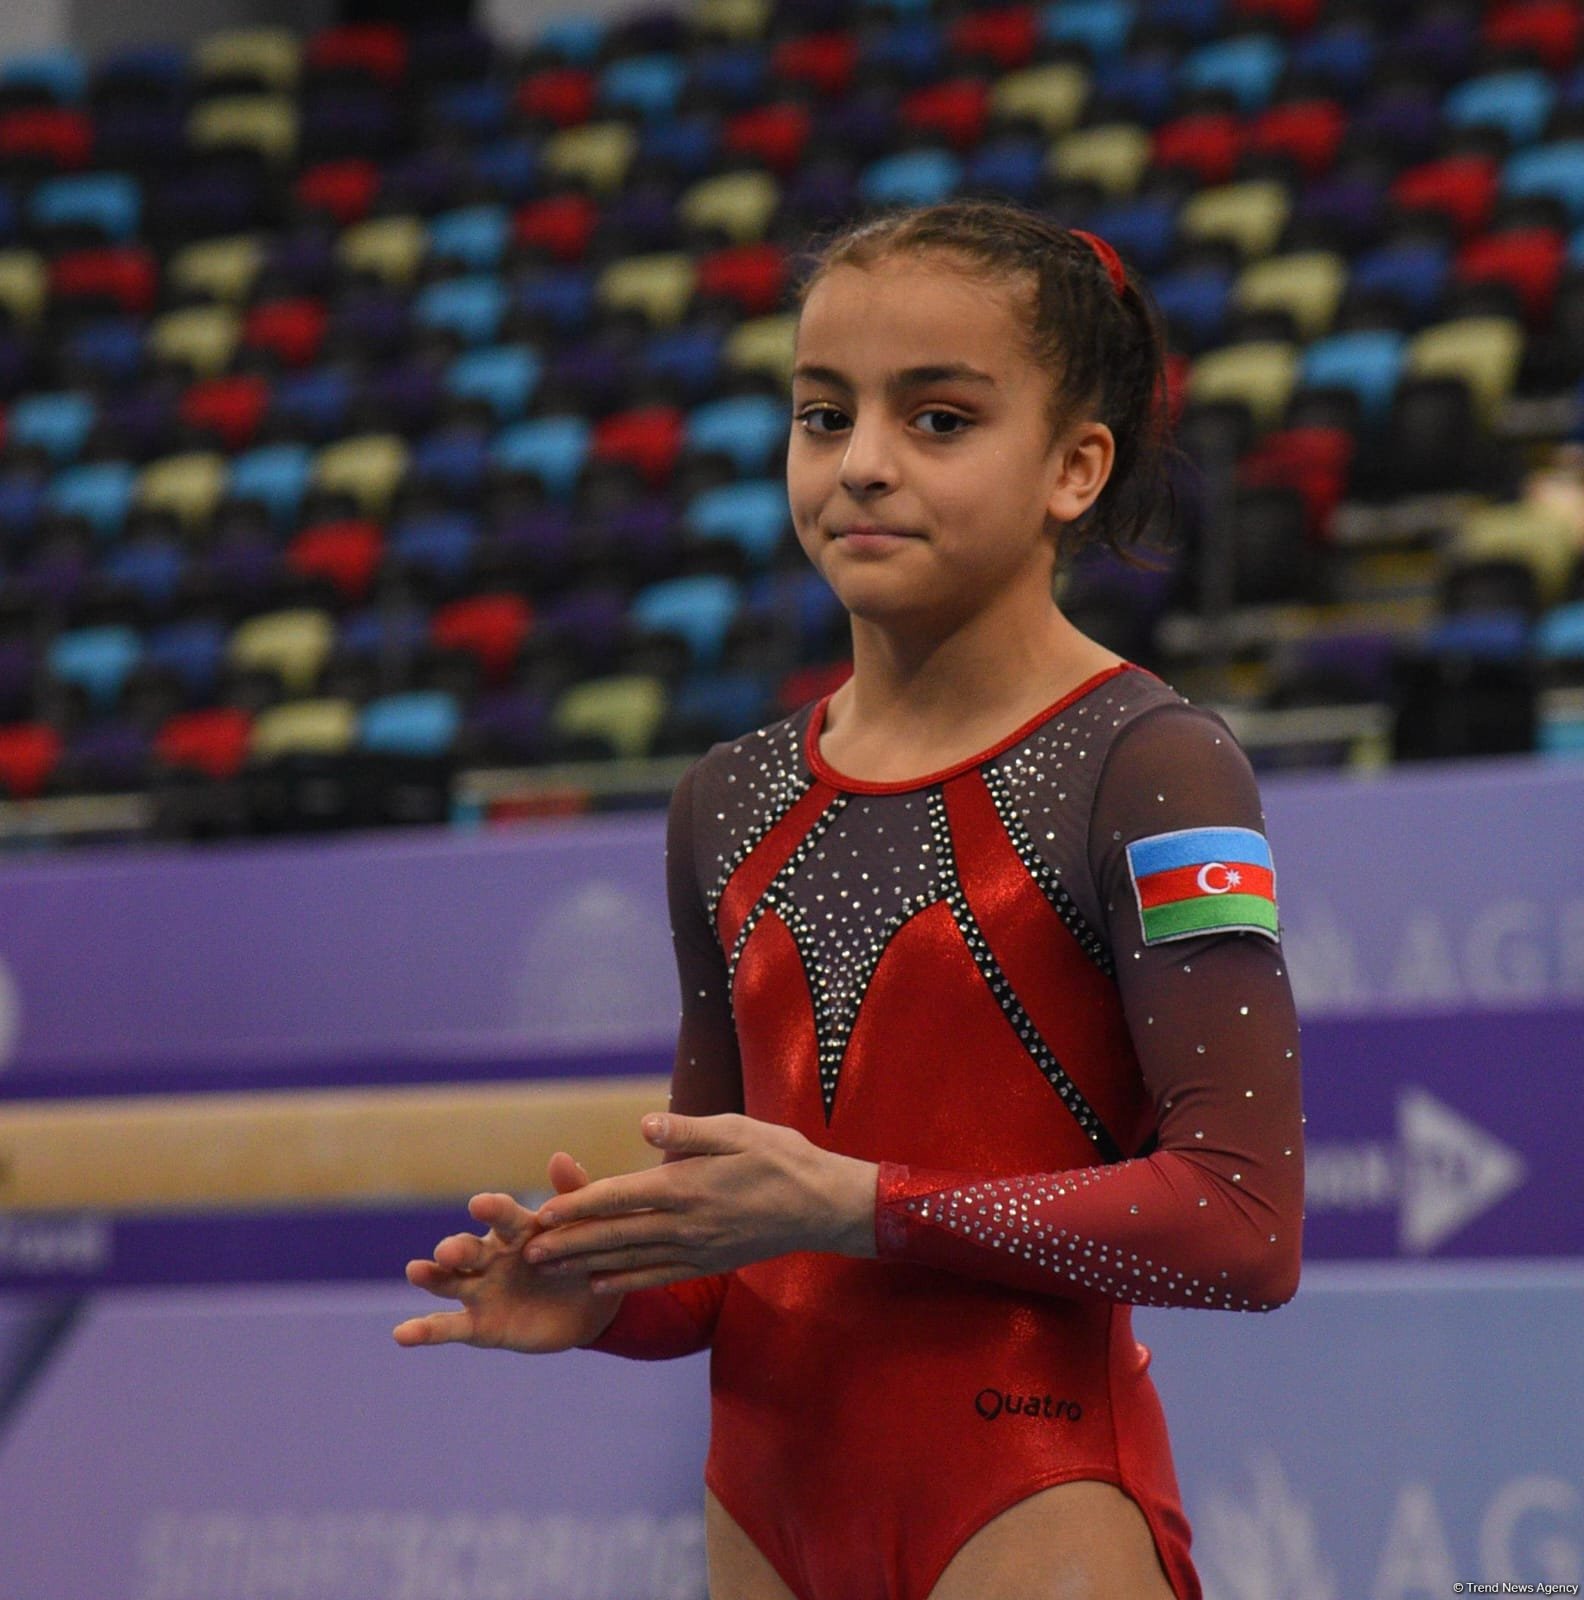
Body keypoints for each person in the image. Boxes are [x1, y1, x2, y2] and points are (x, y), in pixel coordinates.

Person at [394, 199, 1305, 1600]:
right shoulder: (729, 798)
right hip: (759, 1505)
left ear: (1075, 466)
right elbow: (731, 1250)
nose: (863, 465)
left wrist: (862, 1204)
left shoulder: (1150, 765)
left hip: (1028, 1497)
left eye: (938, 420)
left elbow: (1243, 1223)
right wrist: (606, 1297)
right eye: (825, 416)